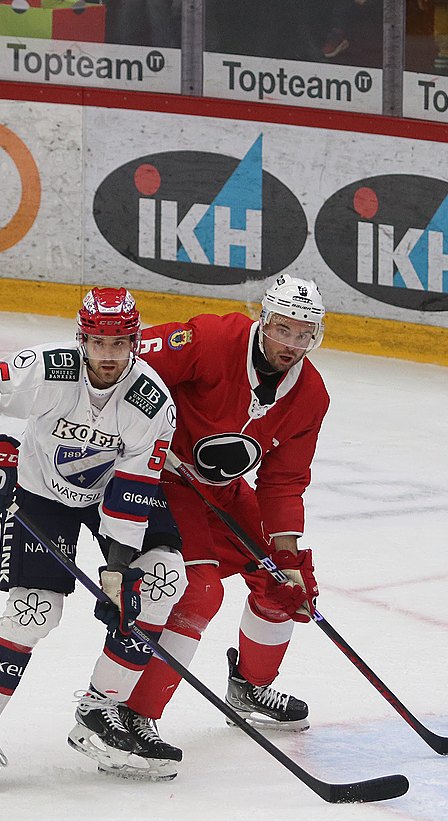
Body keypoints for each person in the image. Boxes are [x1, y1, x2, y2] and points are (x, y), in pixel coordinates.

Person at [0, 288, 186, 791]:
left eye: (120, 342)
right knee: (35, 611)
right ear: (81, 338)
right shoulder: (48, 368)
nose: (109, 355)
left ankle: (101, 711)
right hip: (42, 493)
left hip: (112, 491)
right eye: (98, 341)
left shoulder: (150, 402)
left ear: (135, 341)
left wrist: (116, 570)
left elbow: (133, 489)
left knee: (158, 582)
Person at [121, 275, 329, 742]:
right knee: (200, 593)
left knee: (284, 585)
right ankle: (135, 714)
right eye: (283, 329)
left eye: (304, 333)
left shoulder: (310, 395)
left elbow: (283, 482)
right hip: (167, 482)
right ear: (264, 319)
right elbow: (124, 366)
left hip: (224, 492)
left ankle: (250, 687)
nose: (292, 344)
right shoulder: (212, 340)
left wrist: (289, 557)